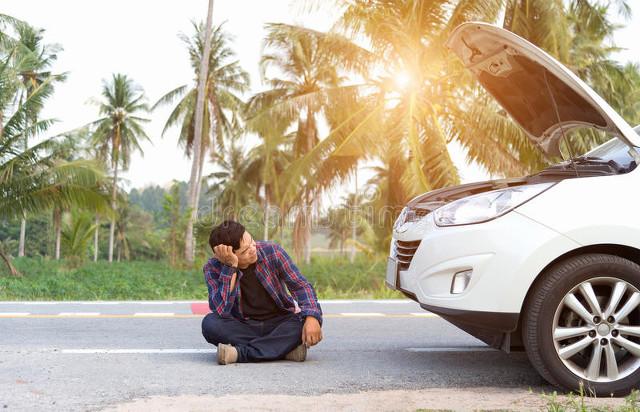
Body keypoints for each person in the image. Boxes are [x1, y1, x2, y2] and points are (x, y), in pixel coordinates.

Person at [201, 220, 323, 365]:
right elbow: (221, 309)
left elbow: (300, 286)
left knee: (302, 322)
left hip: (279, 321)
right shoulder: (213, 267)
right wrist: (230, 267)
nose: (253, 248)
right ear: (228, 255)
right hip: (243, 326)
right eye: (245, 251)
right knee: (210, 324)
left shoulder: (272, 251)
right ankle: (283, 349)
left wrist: (312, 318)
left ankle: (240, 354)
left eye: (252, 241)